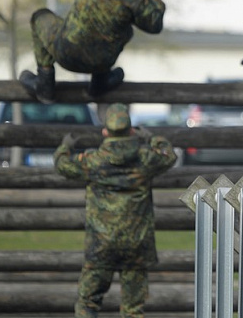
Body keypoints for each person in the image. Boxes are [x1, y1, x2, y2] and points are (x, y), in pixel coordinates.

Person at [54, 103, 177, 318]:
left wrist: (65, 146)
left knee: (88, 303)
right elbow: (169, 155)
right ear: (131, 130)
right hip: (136, 244)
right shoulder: (145, 159)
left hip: (101, 245)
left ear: (105, 131)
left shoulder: (93, 161)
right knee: (133, 309)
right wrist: (152, 138)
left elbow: (62, 164)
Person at [19, 0, 166, 103]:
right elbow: (155, 25)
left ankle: (45, 85)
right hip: (101, 63)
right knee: (125, 29)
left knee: (40, 16)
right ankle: (99, 84)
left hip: (66, 54)